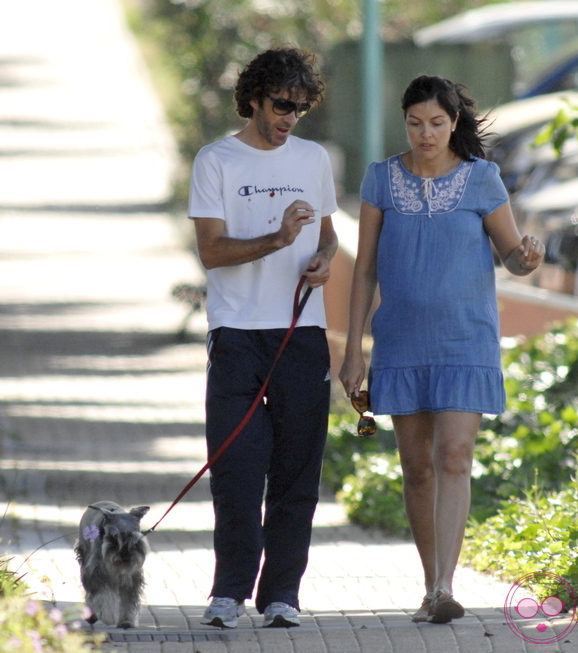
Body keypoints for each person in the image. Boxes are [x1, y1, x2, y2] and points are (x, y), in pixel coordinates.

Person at [338, 75, 545, 624]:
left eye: (435, 123)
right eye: (415, 123)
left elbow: (511, 256)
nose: (425, 133)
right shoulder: (382, 179)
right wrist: (354, 351)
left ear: (454, 123)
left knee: (454, 456)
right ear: (404, 122)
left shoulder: (482, 180)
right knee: (416, 468)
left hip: (466, 339)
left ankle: (445, 588)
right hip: (401, 341)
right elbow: (364, 270)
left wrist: (528, 256)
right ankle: (430, 582)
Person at [187, 47, 339, 629]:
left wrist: (322, 261)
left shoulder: (312, 158)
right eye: (281, 105)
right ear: (254, 98)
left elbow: (327, 237)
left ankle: (283, 595)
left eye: (300, 109)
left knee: (298, 470)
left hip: (302, 333)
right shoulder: (217, 160)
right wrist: (277, 240)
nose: (289, 118)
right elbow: (212, 251)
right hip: (237, 336)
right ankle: (228, 591)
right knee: (237, 469)